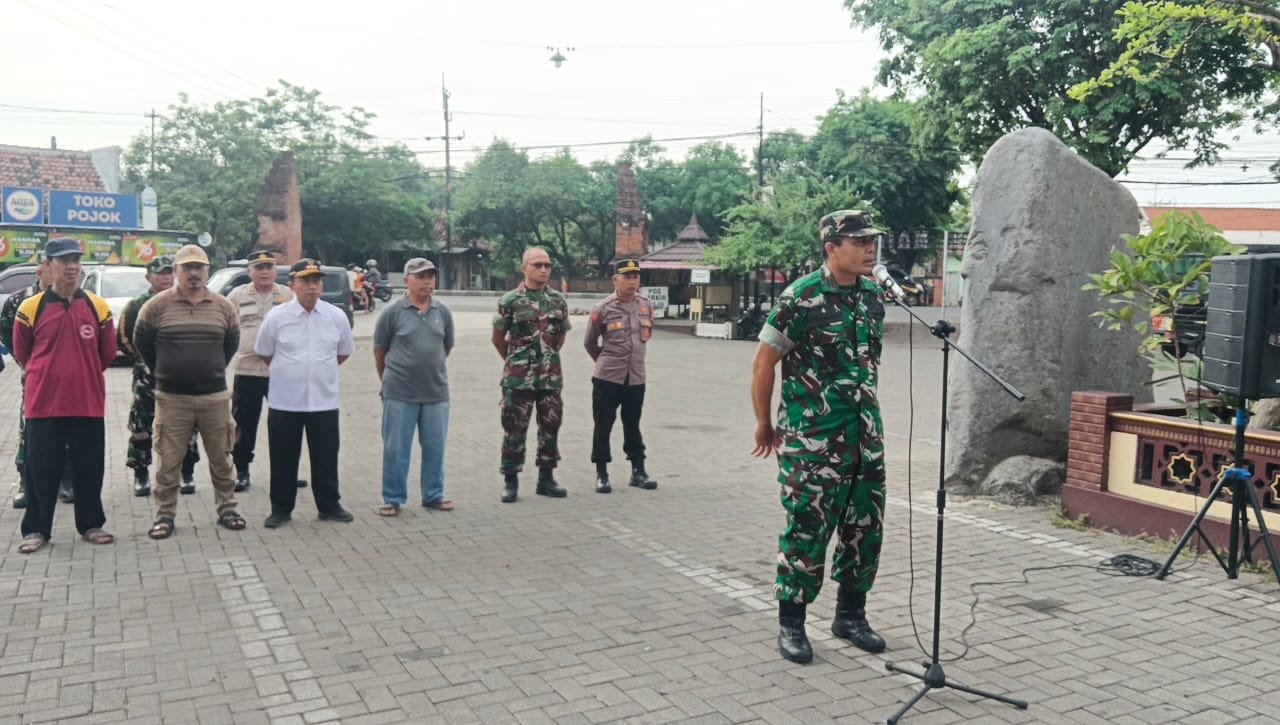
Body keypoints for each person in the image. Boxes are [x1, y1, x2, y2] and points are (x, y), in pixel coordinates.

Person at [750, 209, 888, 664]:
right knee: (807, 529)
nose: (869, 249)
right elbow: (763, 363)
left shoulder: (872, 297)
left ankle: (851, 615)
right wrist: (764, 423)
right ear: (832, 248)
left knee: (864, 528)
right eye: (859, 241)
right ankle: (792, 622)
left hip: (864, 437)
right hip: (812, 441)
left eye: (872, 241)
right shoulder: (801, 297)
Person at [12, 237, 117, 553]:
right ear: (48, 265)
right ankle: (36, 530)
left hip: (87, 403)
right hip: (43, 404)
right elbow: (22, 353)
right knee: (40, 470)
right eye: (63, 261)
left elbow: (107, 354)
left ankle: (91, 524)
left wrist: (79, 374)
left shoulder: (97, 306)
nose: (71, 267)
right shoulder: (30, 308)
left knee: (89, 467)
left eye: (75, 260)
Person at [133, 244, 245, 539]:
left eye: (199, 267)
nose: (194, 273)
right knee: (169, 461)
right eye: (187, 268)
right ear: (177, 271)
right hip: (172, 399)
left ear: (207, 271)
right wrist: (165, 371)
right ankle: (165, 515)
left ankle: (227, 508)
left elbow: (230, 344)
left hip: (214, 397)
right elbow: (142, 342)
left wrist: (209, 368)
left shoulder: (224, 306)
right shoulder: (156, 306)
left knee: (221, 457)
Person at [254, 259, 356, 528]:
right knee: (283, 456)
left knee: (325, 456)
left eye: (317, 281)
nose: (313, 286)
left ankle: (329, 505)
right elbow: (265, 352)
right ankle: (281, 508)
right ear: (292, 285)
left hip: (324, 401)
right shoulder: (277, 317)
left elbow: (343, 352)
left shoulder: (336, 316)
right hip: (285, 401)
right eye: (306, 281)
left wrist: (317, 370)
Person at [373, 258, 455, 516]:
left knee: (435, 447)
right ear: (407, 279)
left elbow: (446, 348)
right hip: (399, 393)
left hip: (435, 393)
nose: (427, 281)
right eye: (420, 276)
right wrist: (387, 381)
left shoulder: (442, 312)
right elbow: (380, 351)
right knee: (395, 449)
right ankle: (393, 498)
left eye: (430, 276)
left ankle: (433, 494)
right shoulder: (392, 313)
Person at [119, 255, 203, 497]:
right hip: (147, 377)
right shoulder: (137, 305)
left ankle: (187, 473)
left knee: (187, 425)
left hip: (182, 375)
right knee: (142, 425)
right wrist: (149, 362)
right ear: (148, 277)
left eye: (169, 272)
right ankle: (141, 474)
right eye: (159, 273)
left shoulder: (184, 301)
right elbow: (124, 340)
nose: (165, 277)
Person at [491, 247, 571, 503]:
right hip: (518, 378)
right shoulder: (510, 301)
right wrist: (516, 362)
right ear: (524, 267)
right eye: (537, 265)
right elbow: (497, 338)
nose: (543, 270)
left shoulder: (558, 300)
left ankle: (546, 479)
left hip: (550, 377)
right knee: (514, 428)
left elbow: (560, 336)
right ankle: (510, 480)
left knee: (550, 427)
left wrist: (546, 359)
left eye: (547, 265)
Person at [583, 258, 659, 494]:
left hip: (636, 376)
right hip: (608, 377)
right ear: (615, 279)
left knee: (633, 424)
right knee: (603, 424)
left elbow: (647, 334)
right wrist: (607, 362)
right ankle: (602, 473)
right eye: (627, 277)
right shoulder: (603, 308)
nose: (632, 281)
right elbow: (589, 342)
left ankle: (638, 470)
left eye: (635, 277)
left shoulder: (645, 305)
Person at [226, 249, 293, 492]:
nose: (264, 271)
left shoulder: (287, 294)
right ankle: (242, 470)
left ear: (275, 270)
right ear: (249, 271)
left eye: (269, 267)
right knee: (243, 424)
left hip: (280, 371)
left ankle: (286, 471)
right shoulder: (237, 294)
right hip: (247, 371)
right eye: (259, 267)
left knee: (286, 424)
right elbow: (227, 328)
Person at [0, 253, 51, 510]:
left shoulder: (70, 300)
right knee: (28, 429)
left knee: (67, 430)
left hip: (65, 380)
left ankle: (65, 481)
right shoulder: (18, 301)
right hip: (32, 376)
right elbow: (10, 338)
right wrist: (29, 366)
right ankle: (25, 483)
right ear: (39, 270)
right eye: (47, 266)